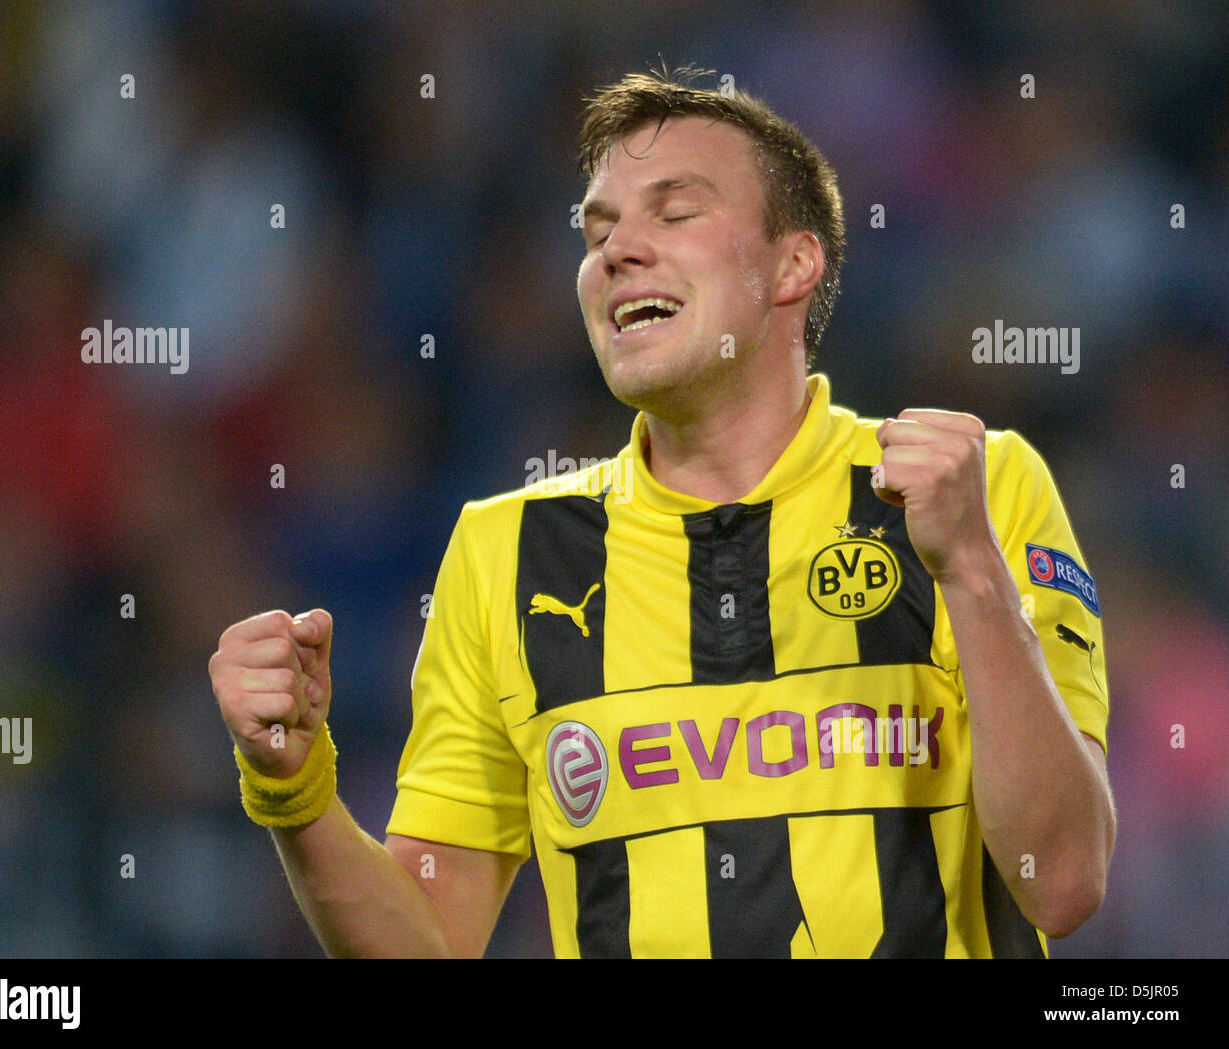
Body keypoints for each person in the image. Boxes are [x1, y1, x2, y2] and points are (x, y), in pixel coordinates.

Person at [209, 66, 1115, 958]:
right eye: (597, 231)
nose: (616, 251)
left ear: (794, 264)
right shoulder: (508, 551)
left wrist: (971, 571)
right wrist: (296, 790)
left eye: (675, 213)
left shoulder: (971, 488)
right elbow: (431, 942)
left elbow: (1065, 881)